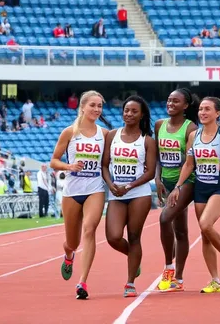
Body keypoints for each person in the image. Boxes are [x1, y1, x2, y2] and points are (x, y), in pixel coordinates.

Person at [167, 97, 220, 293]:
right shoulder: (194, 135)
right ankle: (215, 281)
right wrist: (178, 186)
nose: (202, 112)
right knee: (205, 235)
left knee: (205, 224)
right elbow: (189, 164)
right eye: (201, 109)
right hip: (201, 186)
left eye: (207, 109)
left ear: (217, 113)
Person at [50, 90, 112, 300]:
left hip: (94, 188)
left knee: (90, 229)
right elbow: (54, 161)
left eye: (100, 106)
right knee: (73, 242)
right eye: (93, 105)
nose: (96, 109)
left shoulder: (104, 134)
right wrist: (69, 166)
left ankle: (82, 281)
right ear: (83, 107)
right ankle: (69, 255)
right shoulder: (70, 132)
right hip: (72, 191)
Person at [102, 95, 157, 297]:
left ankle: (130, 282)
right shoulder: (112, 136)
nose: (129, 114)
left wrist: (130, 185)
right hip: (116, 192)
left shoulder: (148, 141)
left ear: (142, 114)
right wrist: (111, 185)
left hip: (138, 193)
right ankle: (134, 258)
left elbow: (150, 172)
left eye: (134, 111)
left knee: (134, 236)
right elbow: (105, 165)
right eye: (126, 110)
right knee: (113, 237)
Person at [155, 88, 199, 292]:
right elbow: (157, 155)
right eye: (169, 100)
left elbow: (190, 162)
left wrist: (179, 187)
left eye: (175, 101)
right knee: (180, 230)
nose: (170, 104)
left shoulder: (191, 129)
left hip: (187, 182)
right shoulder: (159, 125)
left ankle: (169, 269)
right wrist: (157, 178)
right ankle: (179, 280)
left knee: (165, 218)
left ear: (185, 106)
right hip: (166, 180)